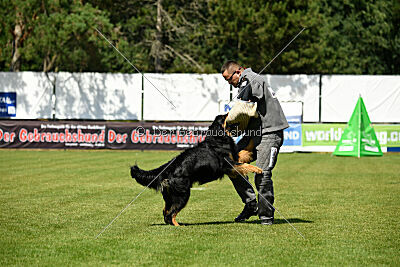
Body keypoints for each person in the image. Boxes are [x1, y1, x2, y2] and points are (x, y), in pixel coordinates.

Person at [221, 60, 289, 225]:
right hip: (254, 133)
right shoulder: (248, 82)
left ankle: (266, 216)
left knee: (262, 174)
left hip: (269, 133)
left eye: (230, 79)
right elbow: (248, 113)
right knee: (229, 164)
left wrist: (228, 121)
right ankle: (251, 204)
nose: (230, 84)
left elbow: (243, 108)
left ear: (238, 72)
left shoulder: (250, 79)